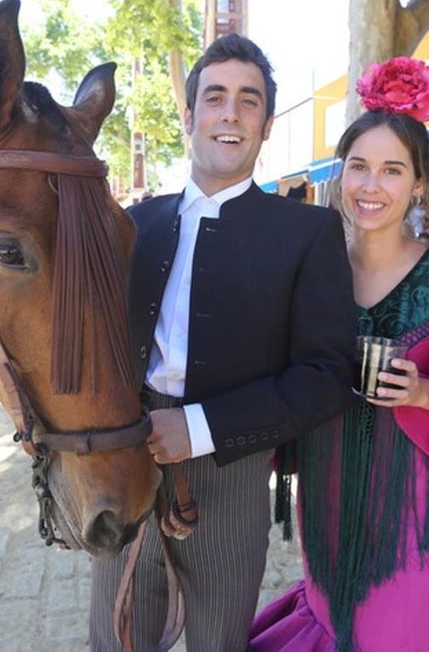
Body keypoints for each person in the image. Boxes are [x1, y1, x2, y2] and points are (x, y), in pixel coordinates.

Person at [248, 56, 429, 652]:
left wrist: (423, 391)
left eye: (391, 169)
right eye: (358, 166)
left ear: (418, 184)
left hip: (414, 500)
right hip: (329, 486)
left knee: (394, 634)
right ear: (340, 174)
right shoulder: (314, 265)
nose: (371, 185)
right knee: (339, 625)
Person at [88, 34, 356, 652]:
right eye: (214, 97)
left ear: (265, 125)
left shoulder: (308, 231)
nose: (230, 114)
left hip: (233, 472)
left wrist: (200, 428)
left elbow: (326, 373)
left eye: (249, 101)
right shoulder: (134, 223)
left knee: (218, 644)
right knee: (114, 634)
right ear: (189, 117)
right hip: (130, 456)